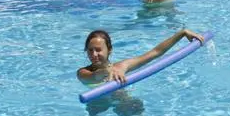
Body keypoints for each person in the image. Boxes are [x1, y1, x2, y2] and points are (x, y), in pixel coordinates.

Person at [78, 28, 206, 86]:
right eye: (90, 50)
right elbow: (94, 76)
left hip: (121, 102)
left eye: (98, 50)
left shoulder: (121, 66)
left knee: (135, 106)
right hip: (96, 105)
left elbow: (155, 52)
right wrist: (107, 71)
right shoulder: (82, 72)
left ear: (109, 50)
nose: (94, 54)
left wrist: (182, 33)